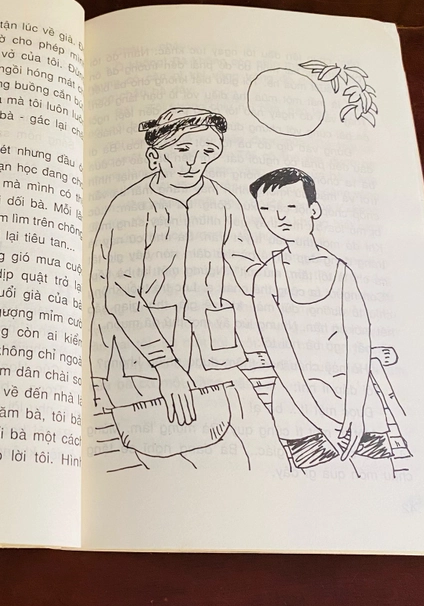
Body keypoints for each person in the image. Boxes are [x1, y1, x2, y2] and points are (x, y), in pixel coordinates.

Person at [89, 107, 286, 470]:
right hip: (143, 357)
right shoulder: (130, 207)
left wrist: (288, 281)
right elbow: (120, 296)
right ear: (155, 156)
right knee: (178, 458)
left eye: (208, 151)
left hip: (214, 350)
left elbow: (245, 266)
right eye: (183, 149)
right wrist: (166, 365)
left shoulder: (223, 201)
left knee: (267, 451)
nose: (195, 162)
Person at [249, 167, 396, 477]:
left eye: (290, 206)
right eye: (267, 210)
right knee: (320, 489)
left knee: (380, 478)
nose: (279, 217)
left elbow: (359, 342)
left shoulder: (341, 271)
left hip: (357, 400)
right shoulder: (266, 278)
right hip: (299, 409)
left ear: (313, 209)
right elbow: (282, 358)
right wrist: (320, 421)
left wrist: (354, 411)